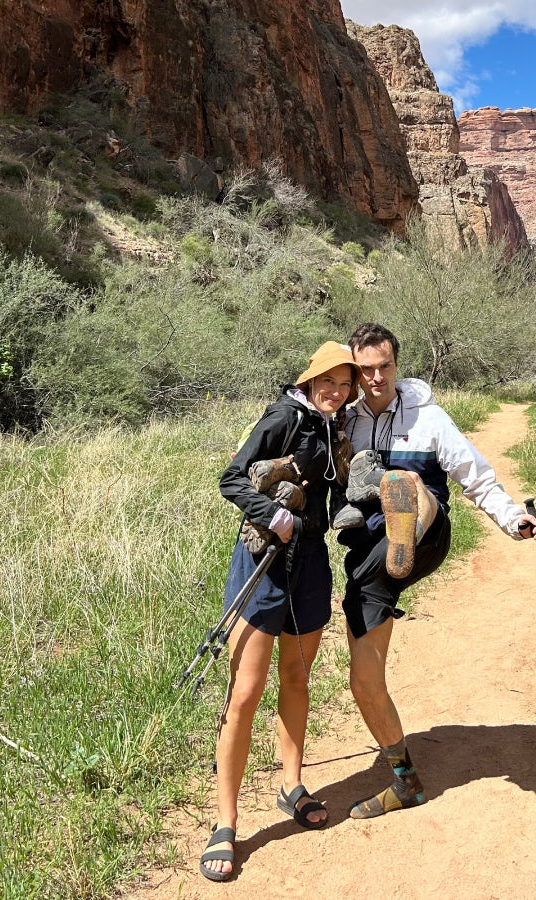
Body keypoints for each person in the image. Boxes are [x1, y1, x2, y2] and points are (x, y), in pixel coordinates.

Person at [337, 322, 536, 819]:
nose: (375, 378)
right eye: (364, 369)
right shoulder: (347, 421)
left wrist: (515, 519)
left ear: (397, 364)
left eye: (384, 367)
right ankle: (403, 780)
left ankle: (408, 508)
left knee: (410, 484)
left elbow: (475, 476)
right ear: (355, 369)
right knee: (365, 681)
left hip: (427, 536)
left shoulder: (427, 417)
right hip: (371, 554)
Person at [199, 341, 361, 882]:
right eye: (328, 380)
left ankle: (291, 786)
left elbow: (335, 492)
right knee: (244, 692)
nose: (335, 391)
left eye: (345, 383)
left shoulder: (336, 427)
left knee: (296, 677)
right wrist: (273, 513)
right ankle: (225, 822)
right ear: (311, 379)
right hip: (262, 560)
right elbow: (231, 477)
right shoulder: (283, 416)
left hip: (310, 562)